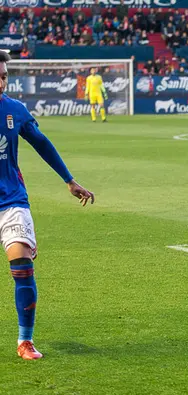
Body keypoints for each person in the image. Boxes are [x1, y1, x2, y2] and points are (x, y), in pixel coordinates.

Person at [0, 51, 95, 360]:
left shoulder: (14, 110)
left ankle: (25, 341)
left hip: (11, 199)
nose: (2, 81)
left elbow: (41, 142)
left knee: (22, 264)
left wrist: (69, 180)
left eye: (5, 76)